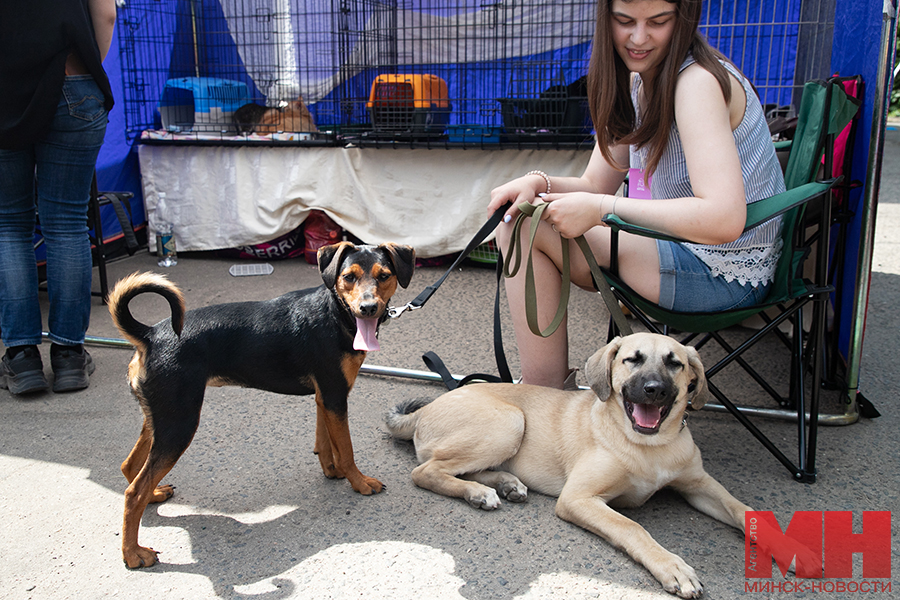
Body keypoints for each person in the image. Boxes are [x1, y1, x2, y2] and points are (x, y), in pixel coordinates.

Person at [488, 0, 786, 389]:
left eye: (658, 22)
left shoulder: (695, 83)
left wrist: (600, 209)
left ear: (683, 19)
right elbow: (596, 183)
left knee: (524, 227)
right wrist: (537, 183)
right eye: (624, 21)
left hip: (720, 273)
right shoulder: (636, 79)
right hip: (681, 251)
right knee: (520, 216)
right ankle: (545, 395)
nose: (639, 37)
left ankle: (543, 397)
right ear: (605, 18)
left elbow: (724, 219)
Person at [0, 0, 117, 394]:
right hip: (72, 79)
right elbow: (107, 13)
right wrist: (84, 67)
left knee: (9, 225)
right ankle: (69, 357)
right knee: (66, 223)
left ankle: (22, 358)